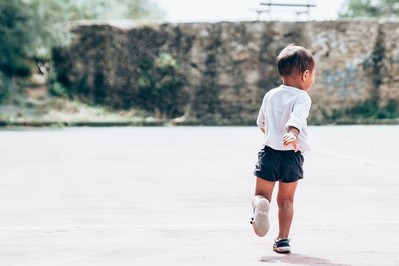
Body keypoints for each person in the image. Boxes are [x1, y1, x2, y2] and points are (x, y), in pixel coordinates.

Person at [250, 44, 316, 254]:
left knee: (261, 195)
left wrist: (275, 136)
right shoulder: (302, 97)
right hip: (292, 156)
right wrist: (293, 134)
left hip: (269, 153)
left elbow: (261, 123)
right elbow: (297, 118)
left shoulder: (270, 95)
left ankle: (260, 206)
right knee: (286, 200)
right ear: (306, 74)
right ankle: (283, 240)